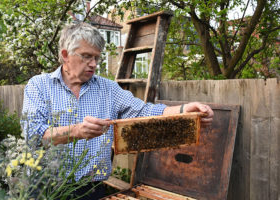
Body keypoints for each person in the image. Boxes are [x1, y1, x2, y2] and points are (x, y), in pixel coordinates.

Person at [21, 22, 214, 200]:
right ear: (65, 55)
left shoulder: (108, 88)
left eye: (97, 57)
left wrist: (182, 110)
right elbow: (34, 135)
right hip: (46, 188)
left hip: (91, 189)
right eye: (87, 56)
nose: (94, 64)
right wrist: (77, 131)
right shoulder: (39, 85)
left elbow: (144, 111)